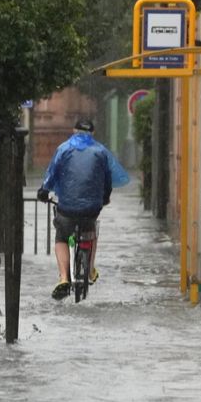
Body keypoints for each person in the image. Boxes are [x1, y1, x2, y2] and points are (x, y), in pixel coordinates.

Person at [37, 118, 130, 300]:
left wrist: (44, 191)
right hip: (91, 208)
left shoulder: (63, 149)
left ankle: (64, 278)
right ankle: (89, 270)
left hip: (67, 208)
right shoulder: (101, 152)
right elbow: (107, 180)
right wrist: (104, 198)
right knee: (91, 230)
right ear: (93, 133)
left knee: (62, 236)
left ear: (74, 130)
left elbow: (52, 173)